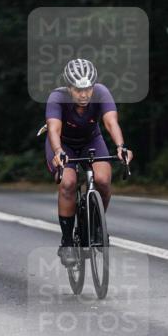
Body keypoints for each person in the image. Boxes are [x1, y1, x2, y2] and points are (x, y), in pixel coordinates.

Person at [44, 58, 132, 265]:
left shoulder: (101, 93)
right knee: (68, 183)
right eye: (78, 90)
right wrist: (58, 151)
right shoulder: (57, 97)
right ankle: (67, 242)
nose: (84, 95)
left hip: (91, 140)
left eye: (88, 89)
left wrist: (120, 147)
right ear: (69, 88)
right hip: (62, 144)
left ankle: (97, 227)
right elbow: (54, 129)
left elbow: (111, 122)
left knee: (102, 179)